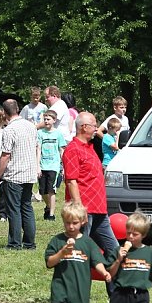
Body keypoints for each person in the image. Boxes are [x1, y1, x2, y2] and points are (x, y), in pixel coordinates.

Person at [62, 112, 120, 292]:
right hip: (85, 211)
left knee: (115, 251)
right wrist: (79, 210)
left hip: (99, 210)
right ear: (83, 127)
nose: (97, 128)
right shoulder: (73, 149)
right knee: (79, 253)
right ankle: (73, 293)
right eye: (94, 125)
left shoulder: (89, 147)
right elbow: (71, 181)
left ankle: (116, 296)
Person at [0, 99, 39, 250]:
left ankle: (14, 243)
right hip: (29, 173)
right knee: (27, 207)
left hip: (15, 174)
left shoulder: (9, 130)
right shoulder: (31, 126)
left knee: (14, 210)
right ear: (18, 109)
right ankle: (29, 243)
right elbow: (36, 146)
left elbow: (5, 155)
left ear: (5, 113)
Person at [37, 110, 67, 221]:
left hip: (54, 165)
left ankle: (51, 214)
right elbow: (38, 149)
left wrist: (63, 166)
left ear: (54, 120)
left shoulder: (58, 134)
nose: (46, 121)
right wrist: (37, 166)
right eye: (44, 119)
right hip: (43, 165)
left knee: (51, 190)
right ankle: (48, 206)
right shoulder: (40, 133)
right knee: (42, 191)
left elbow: (62, 150)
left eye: (48, 119)